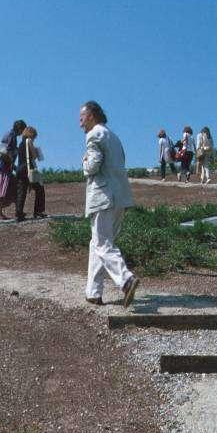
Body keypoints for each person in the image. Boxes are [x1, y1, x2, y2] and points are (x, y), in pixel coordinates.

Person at [80, 100, 139, 308]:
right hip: (120, 198)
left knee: (102, 244)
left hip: (103, 197)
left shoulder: (94, 134)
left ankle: (126, 280)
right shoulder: (114, 137)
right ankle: (93, 292)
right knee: (97, 243)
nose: (80, 124)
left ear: (92, 116)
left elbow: (93, 166)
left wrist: (84, 163)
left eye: (82, 118)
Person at [16, 126, 46, 221]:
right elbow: (33, 156)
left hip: (20, 169)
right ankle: (38, 211)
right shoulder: (29, 141)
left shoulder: (21, 143)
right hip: (28, 170)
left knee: (22, 191)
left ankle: (19, 213)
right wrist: (37, 152)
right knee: (39, 189)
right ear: (31, 134)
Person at [0, 150, 15, 220]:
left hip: (3, 171)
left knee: (2, 193)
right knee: (2, 193)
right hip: (4, 172)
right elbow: (2, 154)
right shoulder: (11, 139)